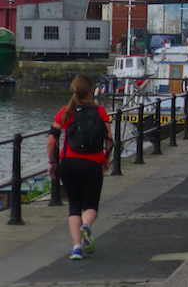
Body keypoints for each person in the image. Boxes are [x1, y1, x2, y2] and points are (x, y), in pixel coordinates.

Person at [46, 74, 114, 260]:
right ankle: (87, 226)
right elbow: (109, 141)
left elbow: (52, 140)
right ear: (90, 91)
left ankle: (76, 248)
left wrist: (52, 163)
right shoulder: (100, 112)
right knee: (91, 205)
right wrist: (106, 160)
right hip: (92, 163)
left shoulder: (64, 112)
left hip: (69, 163)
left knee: (74, 206)